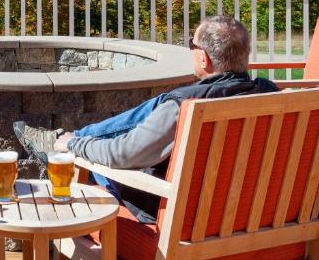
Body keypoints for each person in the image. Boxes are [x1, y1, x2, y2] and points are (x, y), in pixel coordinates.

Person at [14, 15, 278, 223]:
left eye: (191, 44)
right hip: (256, 217)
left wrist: (73, 146)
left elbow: (121, 155)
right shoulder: (273, 97)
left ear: (203, 58)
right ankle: (73, 138)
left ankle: (65, 145)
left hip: (185, 219)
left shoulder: (184, 107)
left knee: (94, 164)